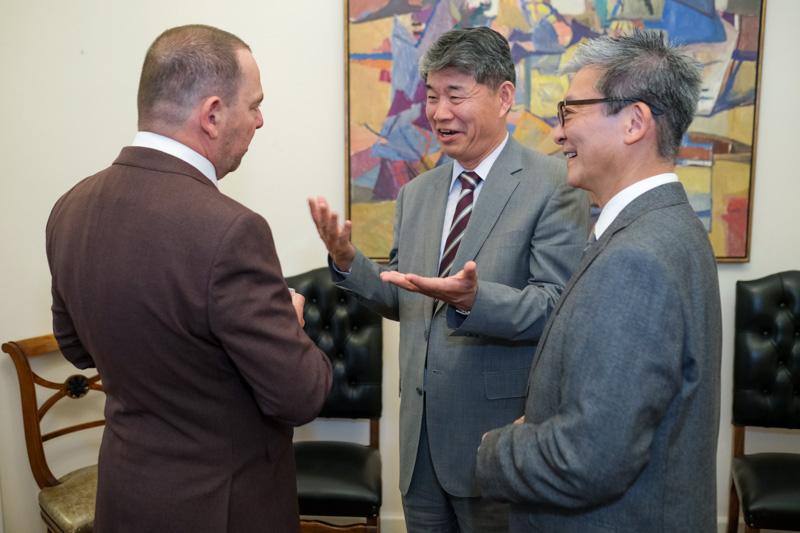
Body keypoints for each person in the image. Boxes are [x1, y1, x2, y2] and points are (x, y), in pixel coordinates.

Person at [46, 25, 332, 533]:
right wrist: (289, 325)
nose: (260, 120)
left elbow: (76, 348)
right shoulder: (231, 230)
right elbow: (300, 396)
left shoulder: (69, 207)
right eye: (254, 105)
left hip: (125, 496)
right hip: (222, 507)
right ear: (213, 114)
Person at [309, 26, 589, 532]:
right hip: (419, 447)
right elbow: (406, 296)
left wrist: (475, 301)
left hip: (496, 440)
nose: (439, 113)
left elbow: (557, 306)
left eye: (455, 95)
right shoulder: (416, 193)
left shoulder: (554, 185)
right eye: (432, 96)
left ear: (504, 96)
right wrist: (349, 261)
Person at [475, 29, 722, 532]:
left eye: (569, 112)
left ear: (634, 122)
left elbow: (589, 459)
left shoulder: (636, 258)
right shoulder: (671, 226)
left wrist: (497, 450)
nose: (557, 133)